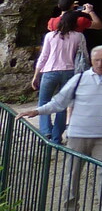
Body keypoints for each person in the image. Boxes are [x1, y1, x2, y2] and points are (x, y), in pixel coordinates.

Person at [20, 46, 102, 211]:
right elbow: (58, 102)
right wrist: (36, 111)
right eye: (96, 60)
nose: (100, 64)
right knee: (72, 174)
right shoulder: (79, 79)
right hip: (78, 134)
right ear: (91, 61)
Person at [30, 13, 88, 144]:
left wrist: (36, 75)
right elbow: (84, 56)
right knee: (62, 105)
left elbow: (43, 57)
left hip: (50, 71)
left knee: (44, 101)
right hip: (69, 72)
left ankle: (46, 132)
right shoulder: (79, 36)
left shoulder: (50, 36)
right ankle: (56, 138)